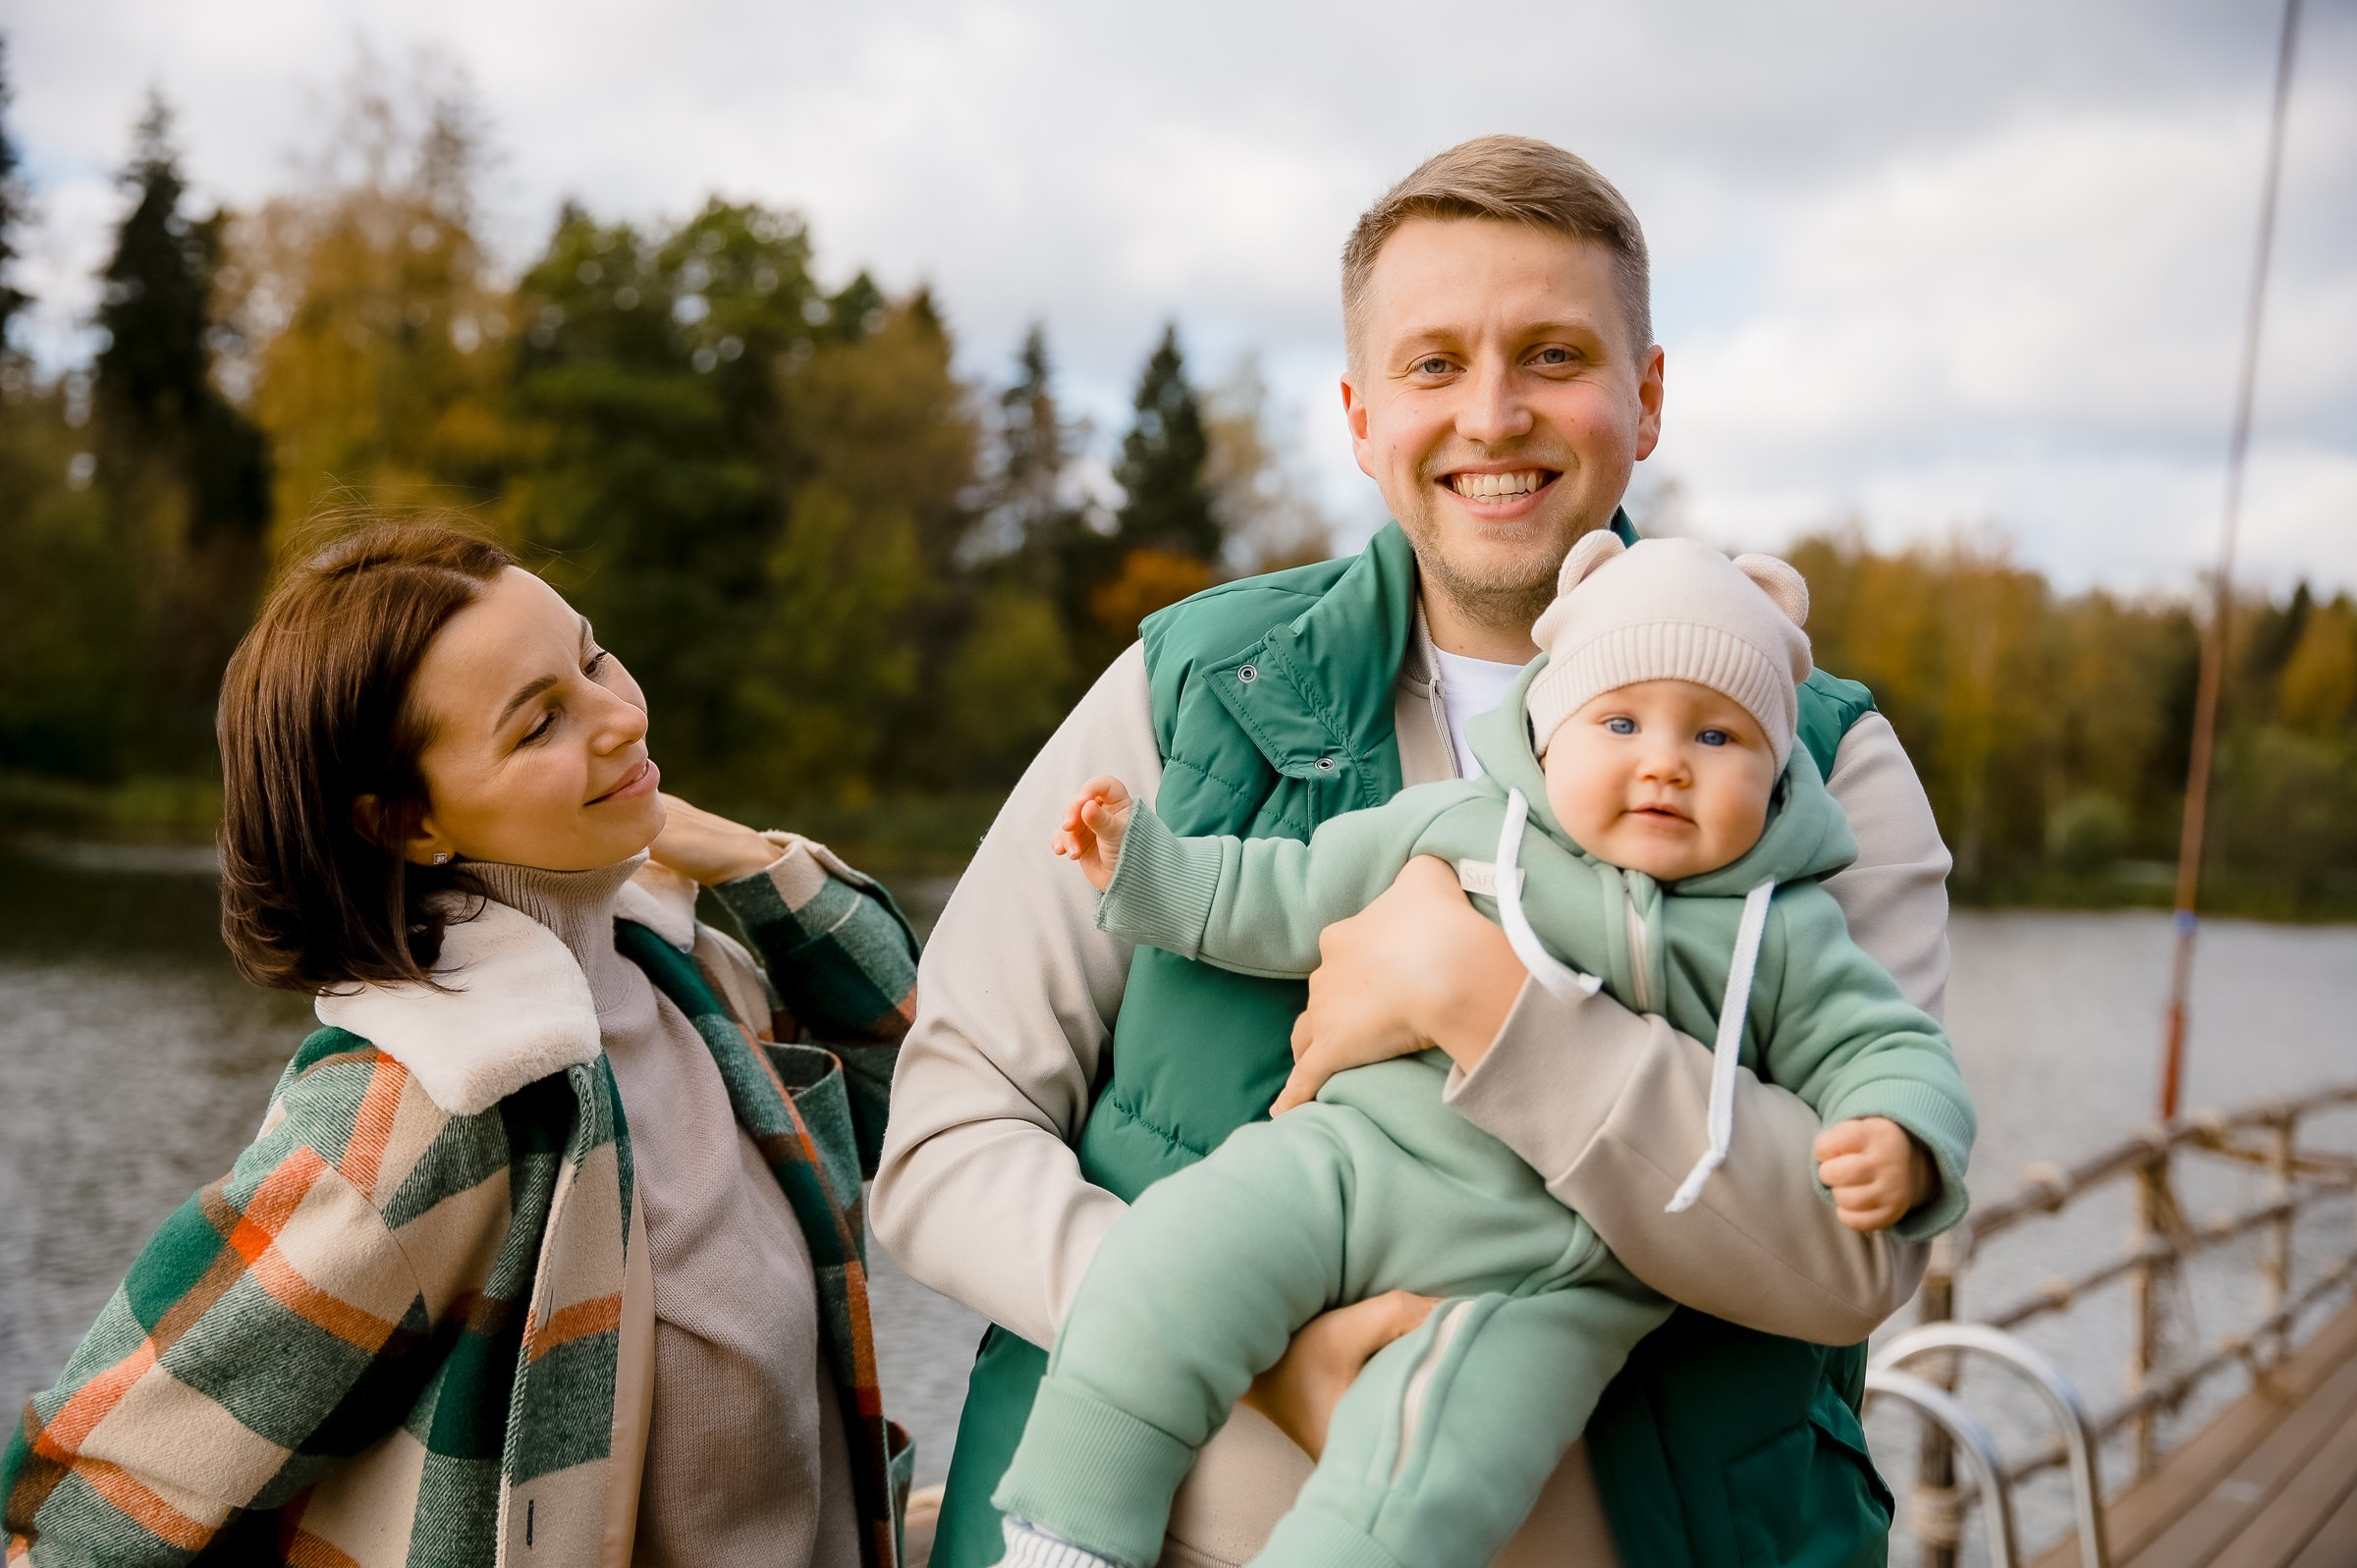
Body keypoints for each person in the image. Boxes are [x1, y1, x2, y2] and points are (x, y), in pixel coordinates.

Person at [875, 134, 1955, 1567]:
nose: (1493, 416)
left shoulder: (1821, 769)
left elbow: (1851, 1258)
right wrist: (1246, 1345)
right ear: (1361, 410)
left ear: (1646, 396)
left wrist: (1491, 1011)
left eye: (1555, 355)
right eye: (1436, 364)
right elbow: (947, 1134)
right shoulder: (1188, 693)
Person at [989, 533, 1974, 1568]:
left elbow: (1883, 1040)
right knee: (1171, 1258)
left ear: (1776, 771)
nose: (1664, 762)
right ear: (1552, 728)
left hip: (1560, 1282)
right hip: (1352, 1164)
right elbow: (1284, 890)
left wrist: (1899, 1131)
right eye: (1623, 720)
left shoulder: (1782, 932)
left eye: (1720, 736)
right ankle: (1067, 1529)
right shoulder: (1466, 826)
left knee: (1428, 1480)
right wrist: (1144, 868)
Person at [1, 523, 920, 1568]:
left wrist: (747, 858)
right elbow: (99, 1496)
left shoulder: (687, 979)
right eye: (540, 724)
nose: (621, 715)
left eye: (592, 657)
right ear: (403, 822)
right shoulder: (431, 1104)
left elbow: (915, 1068)